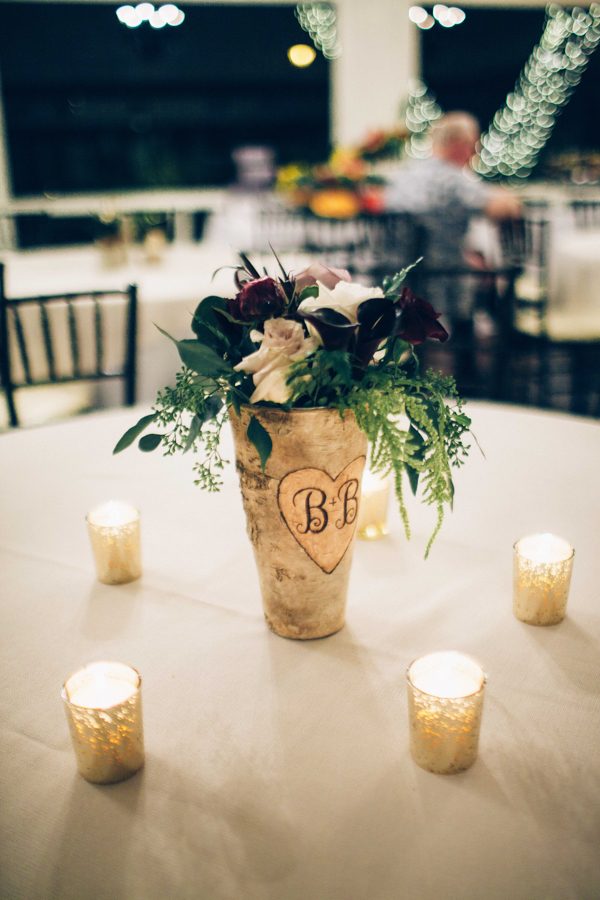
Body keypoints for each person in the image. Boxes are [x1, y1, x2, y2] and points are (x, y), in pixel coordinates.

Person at [385, 111, 521, 317]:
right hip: (440, 272)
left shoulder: (406, 174)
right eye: (473, 145)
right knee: (489, 266)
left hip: (397, 270)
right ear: (459, 144)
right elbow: (503, 208)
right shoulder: (453, 180)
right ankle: (469, 331)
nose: (474, 153)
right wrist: (508, 196)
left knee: (474, 257)